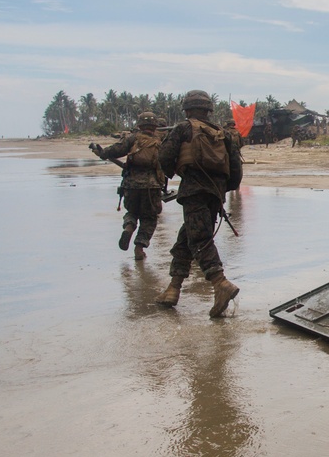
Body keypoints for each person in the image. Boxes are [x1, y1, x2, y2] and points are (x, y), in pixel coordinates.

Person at [155, 90, 243, 317]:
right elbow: (236, 172)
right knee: (187, 239)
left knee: (200, 239)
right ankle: (173, 289)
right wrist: (222, 189)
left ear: (186, 109)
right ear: (208, 110)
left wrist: (179, 172)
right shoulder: (223, 134)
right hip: (215, 194)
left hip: (193, 191)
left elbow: (164, 159)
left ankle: (221, 283)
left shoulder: (183, 129)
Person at [91, 111, 165, 260]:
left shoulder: (132, 139)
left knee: (131, 212)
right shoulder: (161, 141)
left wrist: (101, 152)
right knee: (149, 218)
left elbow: (114, 150)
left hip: (131, 184)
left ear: (139, 125)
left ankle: (129, 227)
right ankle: (139, 248)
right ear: (155, 126)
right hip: (152, 186)